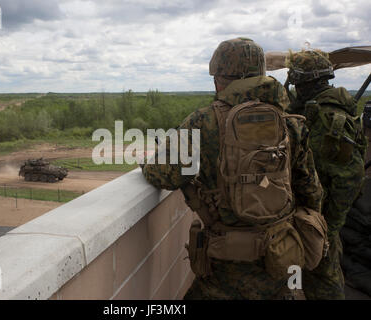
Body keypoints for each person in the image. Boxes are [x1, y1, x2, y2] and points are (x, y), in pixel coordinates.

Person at [141, 38, 324, 300]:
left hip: (225, 265)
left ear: (219, 79)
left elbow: (163, 174)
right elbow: (312, 192)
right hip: (280, 255)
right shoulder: (291, 123)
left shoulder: (203, 122)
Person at [286, 50, 367, 299]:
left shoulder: (328, 117)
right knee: (294, 276)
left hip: (319, 220)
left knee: (324, 283)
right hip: (305, 214)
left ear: (306, 82)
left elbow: (349, 179)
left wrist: (329, 228)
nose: (295, 89)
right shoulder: (311, 111)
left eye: (298, 83)